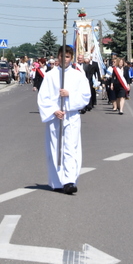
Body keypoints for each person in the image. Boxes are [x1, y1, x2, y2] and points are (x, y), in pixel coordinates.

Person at [38, 45, 91, 195]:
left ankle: (69, 181)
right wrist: (54, 110)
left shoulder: (78, 75)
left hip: (71, 116)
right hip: (55, 117)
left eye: (67, 56)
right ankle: (58, 181)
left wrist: (69, 94)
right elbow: (43, 97)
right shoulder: (50, 75)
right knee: (56, 149)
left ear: (71, 58)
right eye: (61, 56)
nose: (64, 59)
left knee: (71, 148)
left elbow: (85, 96)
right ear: (58, 57)